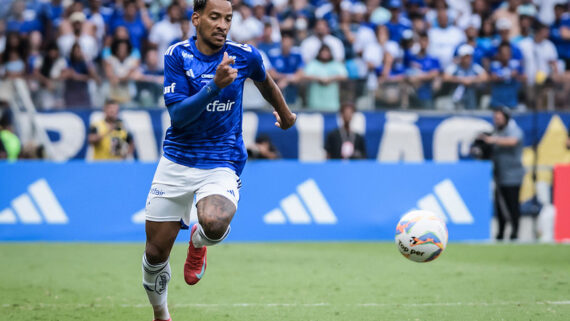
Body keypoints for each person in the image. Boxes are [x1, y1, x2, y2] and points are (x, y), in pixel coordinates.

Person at [141, 1, 297, 321]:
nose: (222, 25)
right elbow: (179, 116)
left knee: (214, 223)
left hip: (222, 158)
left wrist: (285, 113)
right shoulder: (177, 56)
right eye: (214, 17)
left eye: (228, 18)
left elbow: (265, 81)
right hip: (177, 160)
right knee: (155, 254)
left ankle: (198, 241)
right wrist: (214, 86)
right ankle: (161, 315)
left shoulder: (245, 55)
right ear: (196, 19)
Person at [479, 107, 524, 241]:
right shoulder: (496, 131)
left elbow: (513, 141)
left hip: (513, 175)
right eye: (495, 118)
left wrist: (493, 140)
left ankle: (515, 233)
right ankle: (501, 233)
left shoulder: (513, 129)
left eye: (499, 118)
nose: (496, 120)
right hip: (499, 175)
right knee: (499, 206)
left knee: (512, 204)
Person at [304, 44, 348, 111]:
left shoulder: (335, 64)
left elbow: (344, 76)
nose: (325, 54)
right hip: (316, 102)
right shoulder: (313, 64)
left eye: (327, 51)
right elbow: (305, 75)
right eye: (323, 51)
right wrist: (319, 79)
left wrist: (331, 79)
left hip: (332, 103)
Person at [443, 44, 488, 110]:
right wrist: (461, 80)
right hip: (456, 98)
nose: (467, 59)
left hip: (471, 97)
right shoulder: (455, 67)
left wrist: (471, 80)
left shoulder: (475, 67)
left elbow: (485, 77)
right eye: (465, 57)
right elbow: (445, 77)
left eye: (468, 56)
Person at [489, 42, 525, 109]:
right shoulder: (494, 65)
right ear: (499, 54)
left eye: (508, 53)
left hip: (512, 103)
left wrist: (516, 76)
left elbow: (523, 77)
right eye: (503, 54)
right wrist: (509, 75)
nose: (506, 56)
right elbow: (493, 77)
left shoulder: (515, 64)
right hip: (497, 103)